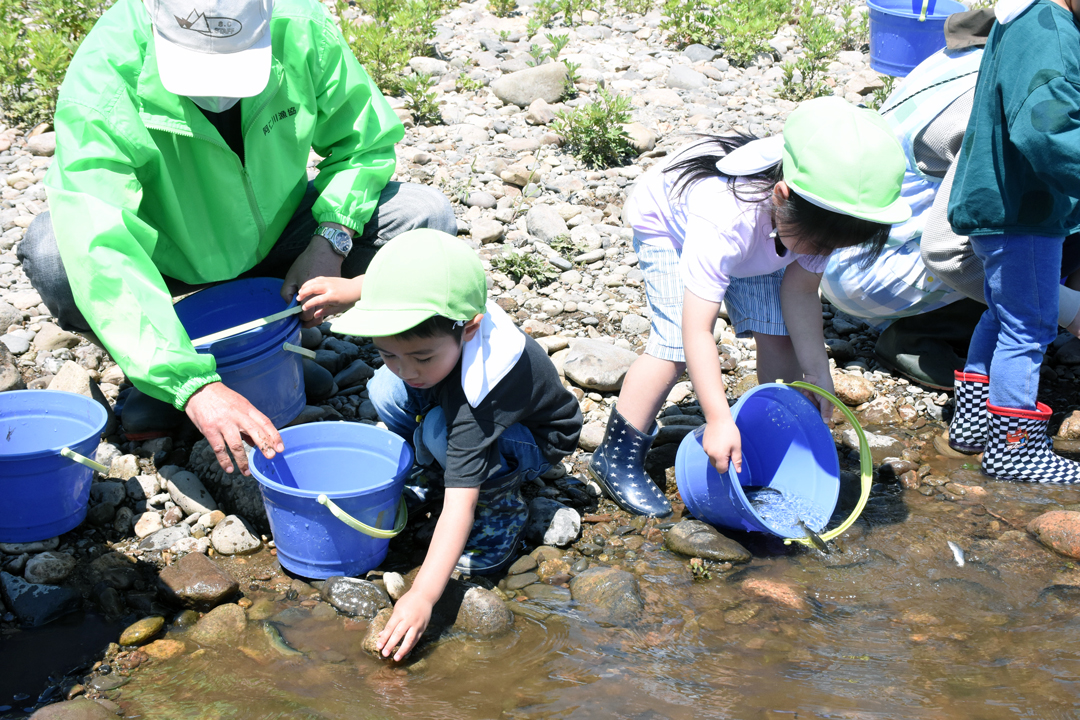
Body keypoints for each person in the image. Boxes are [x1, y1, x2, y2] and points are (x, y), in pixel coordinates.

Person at [18, 0, 456, 475]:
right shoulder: (106, 74)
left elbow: (364, 144)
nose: (219, 91)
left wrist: (331, 240)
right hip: (165, 262)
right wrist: (190, 386)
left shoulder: (299, 25)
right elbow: (99, 242)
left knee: (421, 216)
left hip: (278, 244)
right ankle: (162, 372)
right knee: (54, 253)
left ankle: (405, 384)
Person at [588, 96, 910, 517]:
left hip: (770, 236)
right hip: (670, 225)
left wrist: (818, 373)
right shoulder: (726, 218)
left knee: (779, 333)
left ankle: (769, 439)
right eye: (821, 245)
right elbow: (696, 330)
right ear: (782, 196)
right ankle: (617, 455)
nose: (824, 253)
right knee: (671, 348)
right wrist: (719, 419)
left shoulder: (821, 216)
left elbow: (799, 292)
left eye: (835, 247)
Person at [298, 229, 582, 660]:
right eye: (388, 352)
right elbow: (399, 281)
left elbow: (459, 506)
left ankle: (504, 512)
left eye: (422, 357)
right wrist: (352, 291)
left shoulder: (482, 394)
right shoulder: (447, 309)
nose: (407, 368)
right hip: (460, 406)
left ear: (469, 328)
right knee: (385, 390)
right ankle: (438, 465)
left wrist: (424, 596)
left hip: (534, 440)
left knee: (440, 435)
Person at [944, 0, 1080, 483]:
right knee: (1030, 327)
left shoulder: (1021, 18)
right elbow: (1049, 131)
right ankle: (1014, 450)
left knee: (1002, 313)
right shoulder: (1051, 31)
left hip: (997, 203)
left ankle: (973, 423)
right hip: (1024, 210)